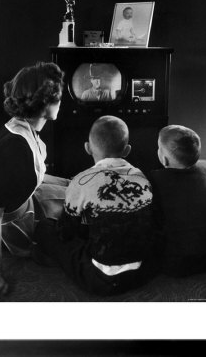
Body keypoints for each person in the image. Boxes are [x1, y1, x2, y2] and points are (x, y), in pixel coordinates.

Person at [32, 116, 155, 296]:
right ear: (127, 150)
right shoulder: (141, 176)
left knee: (45, 228)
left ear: (88, 148)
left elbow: (65, 233)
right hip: (143, 272)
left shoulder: (82, 180)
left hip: (102, 280)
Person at [0, 62, 69, 301]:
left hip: (28, 201)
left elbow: (34, 175)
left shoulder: (26, 127)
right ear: (44, 103)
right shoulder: (13, 150)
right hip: (17, 225)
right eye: (58, 97)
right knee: (78, 214)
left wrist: (72, 183)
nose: (61, 102)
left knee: (74, 189)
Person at [150, 125, 206, 277]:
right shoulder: (203, 172)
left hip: (174, 263)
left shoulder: (155, 179)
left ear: (163, 158)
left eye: (159, 147)